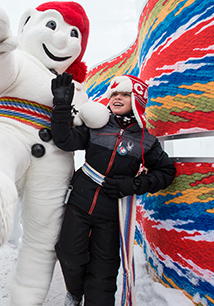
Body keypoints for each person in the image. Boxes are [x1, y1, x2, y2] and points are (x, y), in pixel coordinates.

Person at [50, 73, 176, 306]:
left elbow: (166, 172)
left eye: (125, 94)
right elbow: (64, 140)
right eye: (114, 94)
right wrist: (61, 107)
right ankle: (75, 292)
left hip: (112, 212)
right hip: (80, 201)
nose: (117, 98)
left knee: (104, 270)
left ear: (137, 99)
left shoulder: (146, 140)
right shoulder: (97, 125)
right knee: (69, 253)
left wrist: (134, 185)